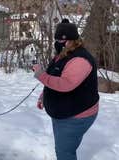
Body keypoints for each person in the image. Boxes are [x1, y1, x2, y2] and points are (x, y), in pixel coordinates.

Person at [33, 19, 99, 160]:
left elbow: (66, 84)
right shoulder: (64, 54)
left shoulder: (80, 60)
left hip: (76, 116)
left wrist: (41, 75)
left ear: (71, 40)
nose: (58, 43)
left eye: (61, 40)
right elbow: (55, 76)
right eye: (56, 40)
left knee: (64, 153)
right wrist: (44, 95)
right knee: (62, 148)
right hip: (63, 112)